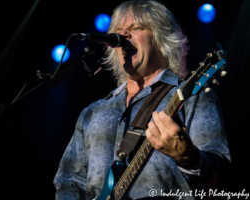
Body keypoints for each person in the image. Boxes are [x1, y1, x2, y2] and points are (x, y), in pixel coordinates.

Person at [53, 0, 231, 199]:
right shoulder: (93, 112)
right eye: (118, 31)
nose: (122, 35)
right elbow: (68, 182)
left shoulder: (192, 97)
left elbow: (219, 166)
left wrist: (189, 158)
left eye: (135, 28)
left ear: (161, 39)